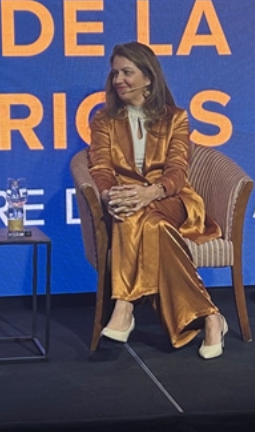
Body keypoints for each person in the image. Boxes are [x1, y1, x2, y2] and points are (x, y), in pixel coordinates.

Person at [87, 42, 227, 359]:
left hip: (172, 199)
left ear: (148, 77)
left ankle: (124, 306)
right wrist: (109, 195)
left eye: (127, 72)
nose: (118, 80)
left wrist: (150, 192)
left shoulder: (175, 118)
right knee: (149, 224)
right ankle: (211, 317)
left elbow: (177, 170)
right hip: (130, 202)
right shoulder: (104, 120)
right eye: (115, 73)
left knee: (138, 213)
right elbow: (101, 168)